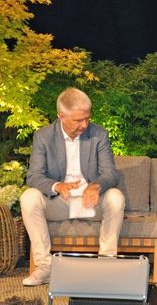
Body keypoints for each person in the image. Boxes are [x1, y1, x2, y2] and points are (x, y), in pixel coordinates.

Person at [20, 88, 125, 286]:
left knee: (115, 197)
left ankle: (107, 263)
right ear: (61, 116)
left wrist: (95, 186)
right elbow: (33, 176)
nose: (84, 125)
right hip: (60, 202)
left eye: (87, 118)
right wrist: (57, 186)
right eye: (78, 120)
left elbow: (110, 173)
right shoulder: (43, 136)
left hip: (91, 203)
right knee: (29, 198)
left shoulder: (99, 134)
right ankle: (45, 267)